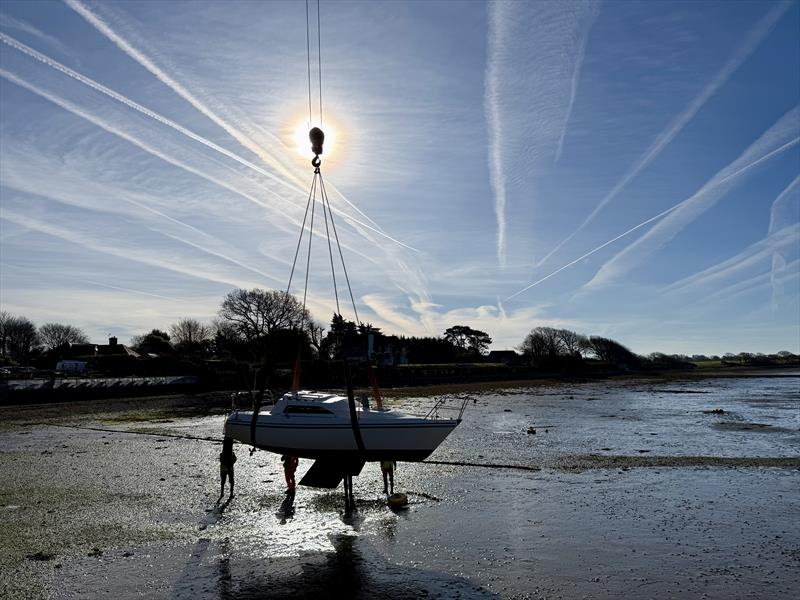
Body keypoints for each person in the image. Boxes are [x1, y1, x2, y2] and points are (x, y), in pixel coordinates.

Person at [218, 437, 237, 502]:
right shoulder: (231, 453)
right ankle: (231, 493)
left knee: (223, 481)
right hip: (230, 468)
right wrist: (231, 463)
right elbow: (235, 459)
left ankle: (222, 493)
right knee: (231, 481)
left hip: (223, 469)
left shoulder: (222, 454)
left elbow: (221, 461)